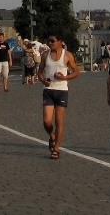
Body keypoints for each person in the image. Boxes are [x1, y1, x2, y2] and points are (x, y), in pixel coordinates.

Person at [38, 31, 80, 159]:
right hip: (48, 90)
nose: (49, 43)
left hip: (62, 90)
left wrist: (65, 77)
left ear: (60, 42)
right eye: (48, 41)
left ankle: (56, 148)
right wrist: (43, 80)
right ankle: (52, 136)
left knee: (59, 121)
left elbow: (76, 72)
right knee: (46, 121)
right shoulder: (45, 55)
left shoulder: (67, 56)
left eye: (52, 41)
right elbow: (39, 72)